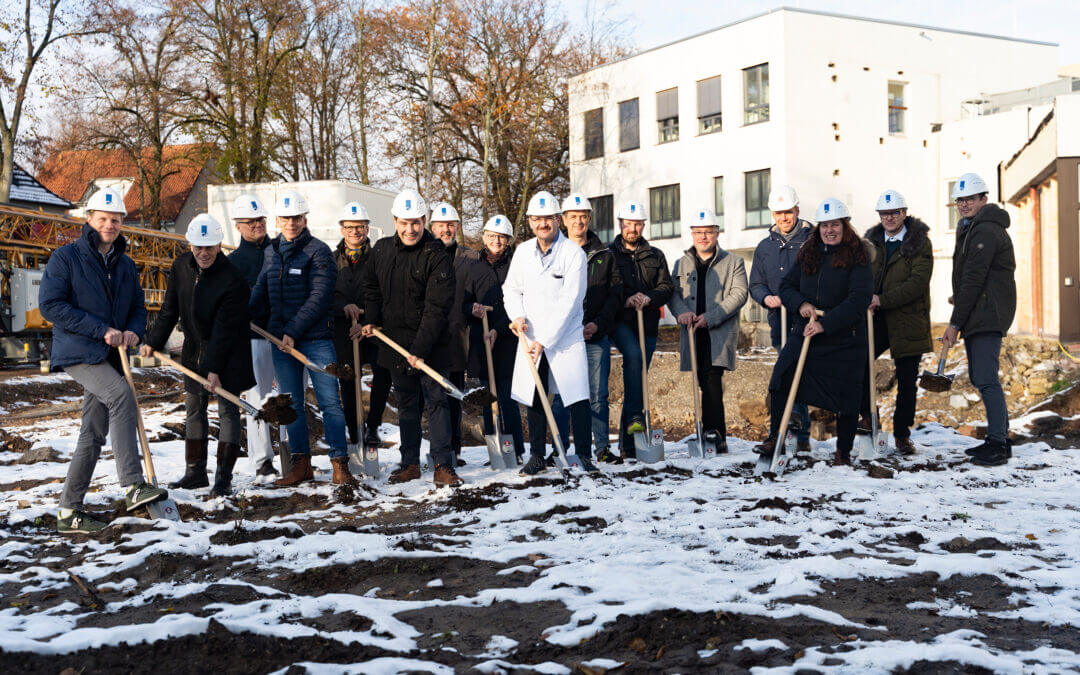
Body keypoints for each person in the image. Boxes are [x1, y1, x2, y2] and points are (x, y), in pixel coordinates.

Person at [38, 187, 166, 533]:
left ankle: (69, 511)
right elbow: (51, 306)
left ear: (122, 223)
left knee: (92, 433)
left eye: (116, 220)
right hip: (78, 351)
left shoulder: (125, 265)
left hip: (109, 354)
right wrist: (101, 330)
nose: (109, 225)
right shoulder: (66, 258)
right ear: (90, 219)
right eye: (103, 219)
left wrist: (134, 332)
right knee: (122, 395)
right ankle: (133, 484)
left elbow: (138, 309)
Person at [141, 214, 255, 496]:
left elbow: (224, 330)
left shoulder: (232, 280)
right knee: (194, 409)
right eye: (198, 247)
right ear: (190, 244)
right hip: (194, 349)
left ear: (219, 245)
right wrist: (152, 341)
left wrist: (214, 368)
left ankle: (223, 478)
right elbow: (170, 309)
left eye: (210, 247)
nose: (204, 253)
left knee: (228, 411)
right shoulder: (180, 267)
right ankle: (195, 472)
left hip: (228, 352)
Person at [755, 198, 873, 466]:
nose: (829, 230)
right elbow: (786, 287)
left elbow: (859, 299)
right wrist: (803, 304)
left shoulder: (858, 256)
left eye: (835, 225)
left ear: (845, 226)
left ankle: (843, 449)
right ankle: (776, 435)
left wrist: (826, 323)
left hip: (843, 335)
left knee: (847, 394)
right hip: (806, 329)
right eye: (825, 225)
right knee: (781, 376)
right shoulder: (809, 252)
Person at [249, 189, 353, 486]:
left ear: (304, 218)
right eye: (285, 218)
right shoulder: (270, 252)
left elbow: (319, 297)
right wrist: (244, 315)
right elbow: (261, 290)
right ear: (278, 220)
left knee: (330, 402)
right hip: (282, 342)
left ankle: (339, 463)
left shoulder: (318, 251)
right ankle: (300, 466)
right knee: (289, 404)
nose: (291, 223)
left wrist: (292, 332)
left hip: (316, 339)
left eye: (296, 218)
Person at [360, 189, 461, 487]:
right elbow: (372, 288)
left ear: (425, 220)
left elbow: (437, 308)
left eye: (416, 222)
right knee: (406, 404)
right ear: (394, 221)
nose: (410, 229)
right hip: (395, 344)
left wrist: (419, 350)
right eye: (404, 222)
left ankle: (443, 464)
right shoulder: (381, 250)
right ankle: (410, 463)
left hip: (432, 346)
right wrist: (372, 320)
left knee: (436, 402)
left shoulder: (437, 256)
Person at [504, 191, 598, 474]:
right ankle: (536, 455)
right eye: (537, 219)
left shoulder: (573, 254)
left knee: (577, 396)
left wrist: (546, 340)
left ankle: (583, 454)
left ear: (558, 219)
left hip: (565, 338)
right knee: (535, 393)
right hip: (531, 336)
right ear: (531, 222)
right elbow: (511, 289)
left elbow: (571, 301)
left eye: (548, 218)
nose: (543, 223)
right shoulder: (522, 252)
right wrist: (516, 316)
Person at [943, 172, 1017, 467]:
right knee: (982, 377)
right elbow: (976, 277)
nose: (963, 204)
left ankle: (999, 444)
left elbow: (975, 277)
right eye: (959, 200)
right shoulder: (973, 227)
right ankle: (998, 439)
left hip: (987, 313)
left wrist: (954, 322)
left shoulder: (985, 229)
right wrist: (959, 297)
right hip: (981, 309)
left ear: (983, 199)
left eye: (969, 199)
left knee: (986, 378)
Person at [667, 208, 748, 453]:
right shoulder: (681, 263)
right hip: (692, 331)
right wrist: (681, 313)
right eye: (698, 232)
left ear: (717, 233)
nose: (703, 237)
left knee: (713, 378)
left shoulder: (733, 262)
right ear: (692, 234)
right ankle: (711, 433)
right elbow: (673, 293)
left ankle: (715, 433)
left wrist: (711, 317)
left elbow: (739, 294)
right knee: (703, 380)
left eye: (709, 232)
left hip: (718, 332)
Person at [553, 193, 623, 463]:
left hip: (595, 334)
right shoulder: (554, 253)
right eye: (573, 217)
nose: (578, 221)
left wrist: (598, 324)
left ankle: (602, 448)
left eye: (583, 216)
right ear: (564, 220)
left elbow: (614, 294)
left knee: (598, 394)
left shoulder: (604, 254)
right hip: (562, 338)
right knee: (560, 395)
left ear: (589, 219)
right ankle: (559, 448)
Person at [865, 189, 933, 455]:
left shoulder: (919, 243)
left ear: (904, 214)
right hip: (876, 319)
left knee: (907, 380)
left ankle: (902, 434)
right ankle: (869, 422)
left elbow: (917, 283)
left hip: (908, 320)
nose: (890, 218)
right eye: (885, 213)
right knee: (859, 364)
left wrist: (881, 299)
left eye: (895, 213)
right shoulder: (870, 243)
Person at [749, 185, 815, 452]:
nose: (784, 218)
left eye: (788, 212)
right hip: (780, 322)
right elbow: (756, 284)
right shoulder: (765, 247)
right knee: (786, 375)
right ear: (772, 215)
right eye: (778, 213)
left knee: (797, 375)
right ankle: (794, 433)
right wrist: (766, 298)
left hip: (805, 321)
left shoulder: (812, 241)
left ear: (797, 210)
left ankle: (797, 432)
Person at [608, 200, 673, 459]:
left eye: (637, 224)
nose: (632, 228)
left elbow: (666, 286)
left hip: (647, 323)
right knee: (634, 358)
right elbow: (608, 286)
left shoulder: (655, 255)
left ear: (643, 225)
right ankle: (636, 418)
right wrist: (626, 298)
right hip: (621, 322)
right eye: (628, 224)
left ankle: (628, 444)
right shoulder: (609, 254)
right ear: (621, 224)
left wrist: (649, 297)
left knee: (636, 379)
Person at [461, 214, 525, 460]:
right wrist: (472, 309)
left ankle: (516, 449)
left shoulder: (516, 265)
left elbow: (519, 301)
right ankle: (495, 450)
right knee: (488, 397)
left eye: (501, 237)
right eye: (492, 236)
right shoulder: (473, 267)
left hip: (508, 338)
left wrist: (499, 327)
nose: (496, 241)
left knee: (507, 397)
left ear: (508, 240)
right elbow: (464, 302)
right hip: (483, 338)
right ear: (484, 237)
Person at [226, 194, 278, 481]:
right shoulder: (232, 262)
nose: (257, 225)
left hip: (284, 336)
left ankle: (293, 454)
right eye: (250, 222)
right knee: (258, 400)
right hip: (254, 338)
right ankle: (262, 460)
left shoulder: (280, 251)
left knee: (286, 399)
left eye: (260, 220)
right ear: (239, 225)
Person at [332, 202, 391, 452]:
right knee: (347, 378)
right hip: (344, 328)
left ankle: (374, 425)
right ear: (342, 229)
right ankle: (353, 429)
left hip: (373, 325)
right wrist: (343, 307)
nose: (355, 231)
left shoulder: (379, 256)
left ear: (367, 229)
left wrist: (369, 320)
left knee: (383, 371)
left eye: (360, 227)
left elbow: (384, 290)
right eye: (350, 227)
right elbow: (326, 291)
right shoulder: (331, 259)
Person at [429, 201, 475, 466]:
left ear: (456, 227)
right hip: (430, 337)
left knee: (455, 396)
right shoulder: (424, 254)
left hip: (457, 338)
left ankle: (454, 450)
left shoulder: (469, 257)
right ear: (432, 227)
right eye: (440, 225)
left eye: (450, 225)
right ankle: (439, 449)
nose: (445, 229)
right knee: (434, 399)